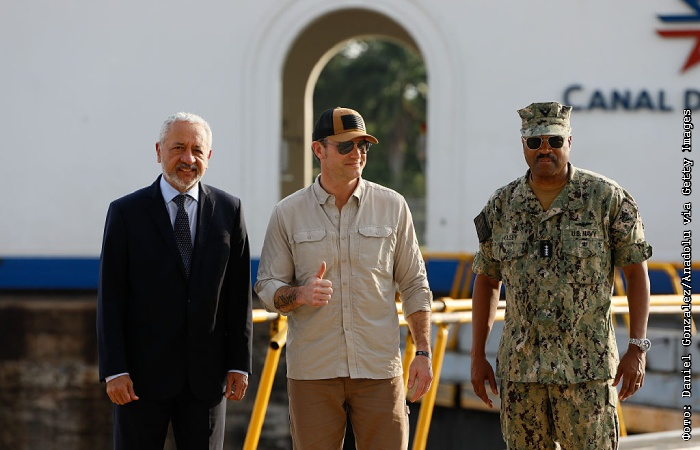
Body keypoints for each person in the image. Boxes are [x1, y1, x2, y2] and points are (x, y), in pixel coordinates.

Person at [470, 101, 653, 450]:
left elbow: (635, 272)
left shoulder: (605, 198)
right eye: (534, 142)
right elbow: (488, 279)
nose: (545, 149)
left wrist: (638, 347)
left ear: (569, 141)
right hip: (521, 374)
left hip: (586, 373)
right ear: (523, 145)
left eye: (554, 140)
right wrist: (477, 356)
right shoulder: (502, 205)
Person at [254, 106, 433, 449]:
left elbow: (414, 284)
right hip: (313, 373)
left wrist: (423, 352)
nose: (357, 153)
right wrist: (301, 294)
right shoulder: (287, 213)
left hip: (379, 370)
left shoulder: (393, 206)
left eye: (363, 145)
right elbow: (266, 285)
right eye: (346, 146)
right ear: (318, 150)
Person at [97, 112, 253, 450]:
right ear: (159, 151)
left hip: (207, 380)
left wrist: (239, 364)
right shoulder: (126, 212)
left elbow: (238, 295)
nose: (188, 159)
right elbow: (110, 297)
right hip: (139, 379)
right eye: (178, 148)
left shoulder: (230, 210)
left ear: (209, 156)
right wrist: (115, 370)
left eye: (197, 150)